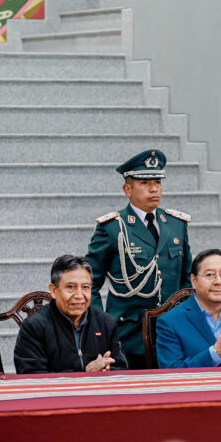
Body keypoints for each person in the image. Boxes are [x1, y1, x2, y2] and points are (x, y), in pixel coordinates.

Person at [85, 149, 192, 369]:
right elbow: (90, 282)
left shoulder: (176, 224)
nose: (154, 188)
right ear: (127, 189)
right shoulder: (113, 227)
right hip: (128, 335)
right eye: (144, 183)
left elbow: (187, 280)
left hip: (170, 332)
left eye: (157, 182)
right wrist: (102, 326)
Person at [14, 255, 127, 373]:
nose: (79, 295)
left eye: (85, 287)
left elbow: (121, 366)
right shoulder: (34, 327)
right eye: (71, 287)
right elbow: (32, 376)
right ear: (53, 290)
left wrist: (107, 370)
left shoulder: (106, 323)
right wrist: (84, 374)